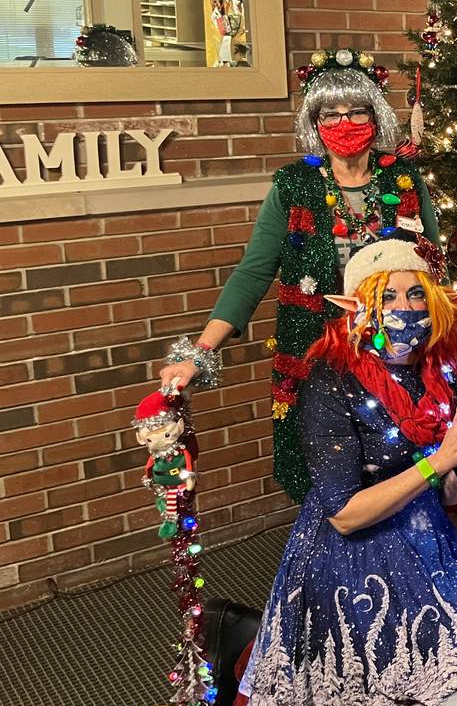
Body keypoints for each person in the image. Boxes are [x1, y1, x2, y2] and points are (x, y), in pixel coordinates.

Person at [230, 236, 457, 706]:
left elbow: (454, 487)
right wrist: (439, 463)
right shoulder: (332, 380)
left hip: (424, 530)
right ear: (358, 307)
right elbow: (343, 515)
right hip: (354, 547)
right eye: (388, 296)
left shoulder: (437, 373)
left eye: (417, 294)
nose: (407, 308)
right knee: (390, 645)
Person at [156, 49, 437, 501]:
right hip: (315, 358)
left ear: (375, 114)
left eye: (357, 111)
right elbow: (252, 274)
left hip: (396, 354)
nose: (344, 123)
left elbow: (431, 270)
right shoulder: (294, 186)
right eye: (331, 113)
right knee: (329, 482)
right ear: (315, 120)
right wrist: (200, 352)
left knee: (400, 473)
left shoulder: (403, 179)